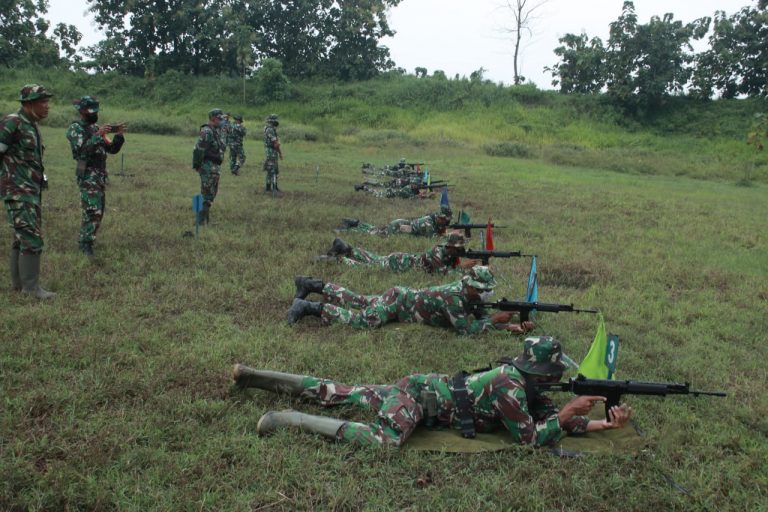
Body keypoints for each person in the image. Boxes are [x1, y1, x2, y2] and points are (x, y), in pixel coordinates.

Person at [233, 336, 632, 447]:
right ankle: (288, 421)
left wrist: (601, 424)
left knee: (338, 390)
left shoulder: (523, 383)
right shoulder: (509, 387)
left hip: (420, 387)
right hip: (419, 400)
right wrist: (566, 415)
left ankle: (253, 375)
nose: (553, 381)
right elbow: (530, 437)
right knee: (385, 440)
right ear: (539, 373)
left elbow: (547, 419)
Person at [288, 265, 534, 335]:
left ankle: (312, 285)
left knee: (360, 300)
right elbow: (466, 329)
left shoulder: (468, 295)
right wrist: (493, 320)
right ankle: (310, 307)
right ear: (470, 286)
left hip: (400, 297)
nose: (486, 294)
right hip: (399, 304)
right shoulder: (453, 298)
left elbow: (481, 317)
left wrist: (509, 327)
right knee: (366, 320)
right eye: (483, 290)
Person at [1, 84, 55, 298]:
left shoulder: (31, 125)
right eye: (43, 102)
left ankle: (19, 285)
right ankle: (31, 289)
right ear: (29, 103)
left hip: (30, 191)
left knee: (21, 236)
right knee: (31, 237)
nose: (47, 106)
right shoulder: (12, 122)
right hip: (18, 190)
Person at [66, 96, 126, 257]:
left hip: (99, 176)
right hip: (87, 174)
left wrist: (118, 135)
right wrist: (98, 135)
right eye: (92, 111)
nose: (95, 114)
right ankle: (85, 244)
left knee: (99, 210)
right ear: (82, 111)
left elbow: (112, 149)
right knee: (92, 210)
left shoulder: (95, 128)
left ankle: (88, 240)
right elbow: (81, 152)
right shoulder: (75, 129)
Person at [322, 232, 480, 274]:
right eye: (458, 248)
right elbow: (443, 274)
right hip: (399, 264)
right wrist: (463, 267)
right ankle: (335, 260)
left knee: (373, 258)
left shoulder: (447, 253)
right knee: (369, 266)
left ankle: (345, 247)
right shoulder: (436, 253)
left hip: (401, 258)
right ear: (450, 246)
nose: (459, 251)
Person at [193, 109, 225, 224]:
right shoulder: (207, 131)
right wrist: (197, 165)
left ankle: (205, 220)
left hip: (214, 166)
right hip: (207, 166)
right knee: (206, 193)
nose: (221, 121)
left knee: (211, 194)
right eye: (219, 119)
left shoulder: (215, 131)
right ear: (212, 118)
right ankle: (200, 221)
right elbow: (198, 149)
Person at [336, 206, 452, 237]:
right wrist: (450, 235)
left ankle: (355, 223)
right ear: (439, 217)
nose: (445, 223)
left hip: (400, 224)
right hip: (398, 228)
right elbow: (434, 238)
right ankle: (345, 231)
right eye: (444, 220)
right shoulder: (428, 224)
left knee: (374, 229)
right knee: (372, 234)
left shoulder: (431, 220)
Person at [263, 113, 283, 192]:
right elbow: (275, 144)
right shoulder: (270, 130)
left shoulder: (269, 129)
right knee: (272, 169)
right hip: (271, 151)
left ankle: (271, 187)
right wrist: (280, 153)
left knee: (272, 169)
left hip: (271, 151)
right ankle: (272, 188)